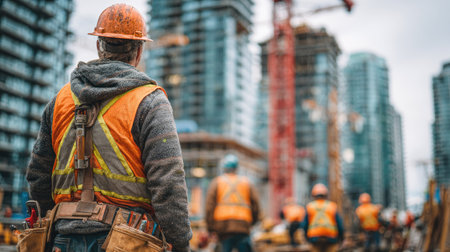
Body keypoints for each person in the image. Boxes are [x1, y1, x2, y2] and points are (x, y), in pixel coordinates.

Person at [25, 4, 192, 251]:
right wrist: (180, 243)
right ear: (139, 51)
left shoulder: (59, 101)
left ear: (99, 46)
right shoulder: (150, 101)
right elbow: (168, 182)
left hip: (63, 238)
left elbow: (38, 175)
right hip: (126, 240)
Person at [205, 154, 262, 252]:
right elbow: (256, 205)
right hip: (243, 226)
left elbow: (209, 207)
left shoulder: (216, 182)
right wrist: (254, 222)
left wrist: (210, 228)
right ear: (236, 168)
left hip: (223, 227)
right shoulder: (247, 182)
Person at [303, 183, 344, 252]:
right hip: (330, 237)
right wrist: (341, 238)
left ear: (313, 195)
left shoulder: (310, 206)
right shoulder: (332, 206)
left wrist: (307, 238)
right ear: (326, 195)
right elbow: (339, 224)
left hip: (315, 238)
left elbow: (305, 225)